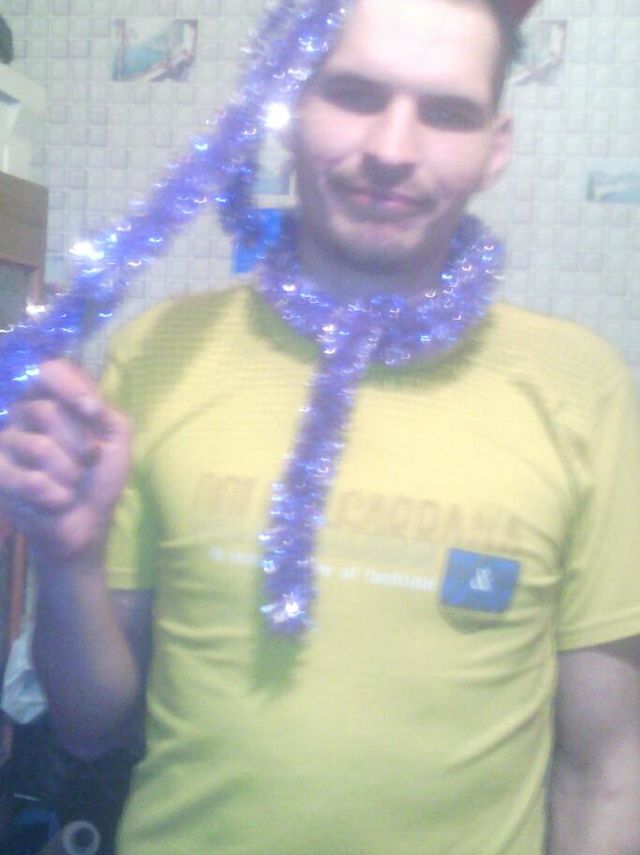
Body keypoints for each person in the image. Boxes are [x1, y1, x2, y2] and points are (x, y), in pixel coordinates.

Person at [1, 0, 640, 852]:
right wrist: (68, 559)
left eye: (446, 112)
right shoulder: (159, 354)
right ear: (293, 107)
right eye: (354, 94)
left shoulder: (581, 387)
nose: (392, 148)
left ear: (496, 147)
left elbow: (607, 768)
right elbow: (90, 725)